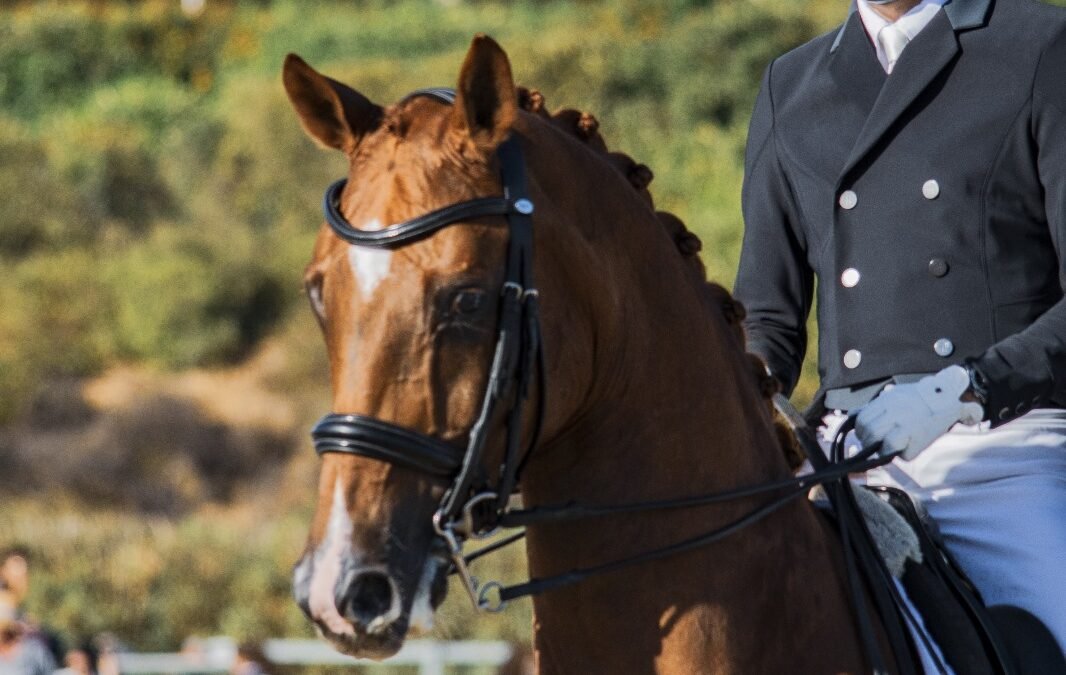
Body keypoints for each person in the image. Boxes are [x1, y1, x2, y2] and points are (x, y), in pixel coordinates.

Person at [733, 0, 1066, 657]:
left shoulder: (1040, 45)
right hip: (843, 453)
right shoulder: (791, 85)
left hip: (1000, 446)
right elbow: (766, 322)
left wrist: (959, 392)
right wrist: (741, 412)